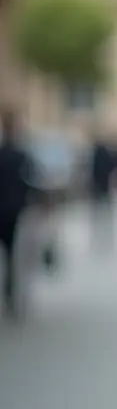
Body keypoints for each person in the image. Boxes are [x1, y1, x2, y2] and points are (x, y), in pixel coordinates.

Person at [0, 109, 31, 317]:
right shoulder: (20, 156)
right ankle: (9, 293)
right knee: (11, 253)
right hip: (13, 210)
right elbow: (30, 182)